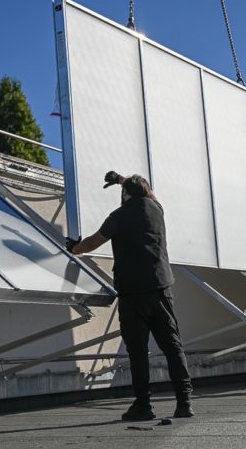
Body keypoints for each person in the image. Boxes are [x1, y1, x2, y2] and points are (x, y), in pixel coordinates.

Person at [66, 171, 194, 421]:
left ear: (125, 195)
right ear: (145, 191)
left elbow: (93, 243)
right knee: (172, 346)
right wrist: (122, 179)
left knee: (138, 350)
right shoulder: (156, 209)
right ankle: (184, 402)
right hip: (161, 287)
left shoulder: (119, 216)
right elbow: (147, 192)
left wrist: (74, 248)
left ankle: (143, 406)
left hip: (133, 292)